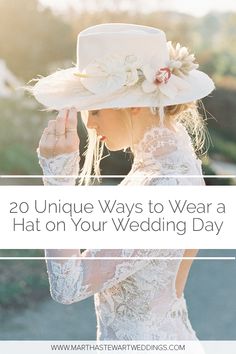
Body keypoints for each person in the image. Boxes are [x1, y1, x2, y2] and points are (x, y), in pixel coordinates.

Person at [32, 23, 214, 341]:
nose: (88, 123)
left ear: (133, 103)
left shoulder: (163, 190)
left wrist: (57, 184)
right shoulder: (171, 155)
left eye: (95, 109)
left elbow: (69, 286)